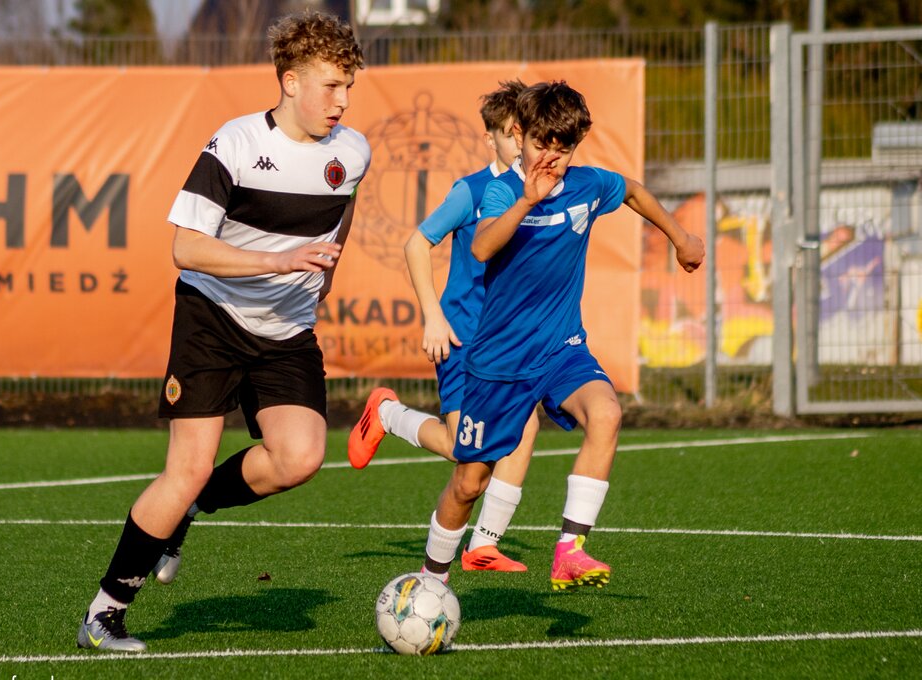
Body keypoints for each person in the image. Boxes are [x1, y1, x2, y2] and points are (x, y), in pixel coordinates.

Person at [76, 10, 370, 653]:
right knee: (185, 468)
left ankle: (192, 509)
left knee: (299, 458)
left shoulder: (353, 151)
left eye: (348, 87)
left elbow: (342, 213)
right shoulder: (234, 144)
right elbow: (186, 248)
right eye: (330, 86)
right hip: (211, 318)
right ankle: (105, 612)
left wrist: (326, 269)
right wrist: (277, 262)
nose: (342, 102)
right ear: (290, 82)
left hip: (287, 329)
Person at [419, 81, 704, 591]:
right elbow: (482, 247)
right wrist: (527, 201)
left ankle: (570, 550)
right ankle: (430, 578)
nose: (550, 157)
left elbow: (632, 190)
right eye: (540, 144)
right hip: (499, 362)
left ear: (578, 144)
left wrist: (680, 237)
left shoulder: (587, 185)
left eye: (564, 147)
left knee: (607, 413)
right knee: (469, 481)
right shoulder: (503, 191)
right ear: (519, 135)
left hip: (560, 349)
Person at [347, 81, 538, 573]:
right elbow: (416, 244)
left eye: (527, 132)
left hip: (507, 343)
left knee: (522, 425)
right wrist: (433, 315)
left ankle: (484, 545)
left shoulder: (539, 192)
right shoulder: (471, 191)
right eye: (510, 133)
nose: (521, 143)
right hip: (463, 336)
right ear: (490, 139)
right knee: (464, 450)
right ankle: (388, 414)